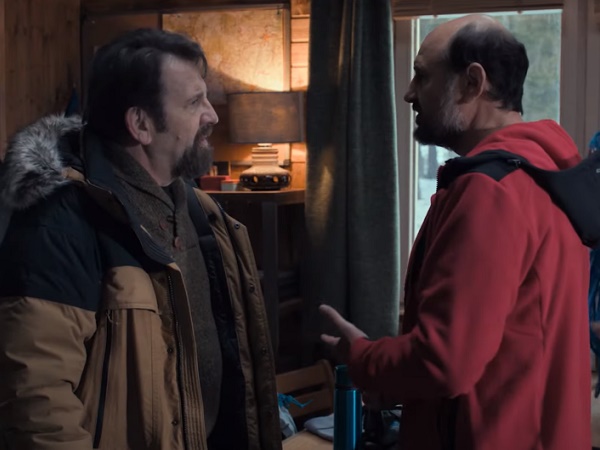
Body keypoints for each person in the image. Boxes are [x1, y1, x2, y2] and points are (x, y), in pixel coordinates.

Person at [0, 28, 281, 450]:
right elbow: (35, 400)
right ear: (141, 124)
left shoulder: (200, 212)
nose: (212, 115)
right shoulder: (60, 222)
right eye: (194, 102)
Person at [320, 14, 591, 450]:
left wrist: (363, 357)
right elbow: (505, 346)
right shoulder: (545, 174)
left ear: (471, 83)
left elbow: (445, 360)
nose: (409, 93)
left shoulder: (490, 191)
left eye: (423, 76)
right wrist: (400, 386)